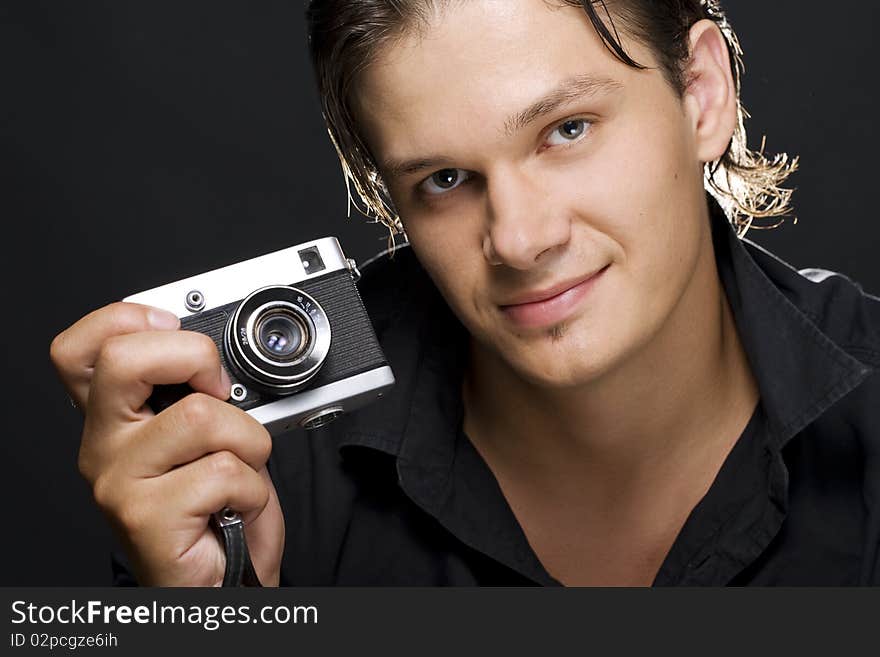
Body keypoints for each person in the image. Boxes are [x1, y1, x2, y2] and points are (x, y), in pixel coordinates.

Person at [50, 0, 880, 586]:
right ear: (388, 200)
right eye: (445, 179)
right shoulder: (257, 487)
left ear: (702, 93)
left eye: (567, 130)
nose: (520, 240)